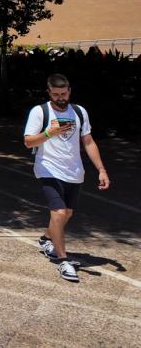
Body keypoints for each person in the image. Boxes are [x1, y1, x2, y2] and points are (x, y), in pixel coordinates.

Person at [22, 73, 111, 283]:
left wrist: (101, 169)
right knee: (59, 212)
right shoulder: (40, 111)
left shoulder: (79, 112)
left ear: (69, 91)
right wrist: (49, 133)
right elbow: (28, 142)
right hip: (48, 170)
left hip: (74, 172)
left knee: (67, 214)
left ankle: (46, 239)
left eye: (63, 94)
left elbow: (88, 141)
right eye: (55, 94)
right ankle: (63, 260)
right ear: (49, 92)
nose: (60, 98)